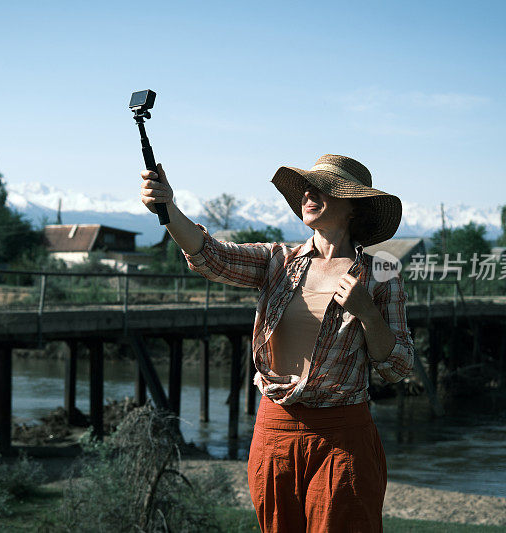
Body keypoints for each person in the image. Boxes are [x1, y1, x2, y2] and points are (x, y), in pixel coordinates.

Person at [139, 154, 415, 533]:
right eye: (307, 186)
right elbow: (210, 256)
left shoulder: (381, 276)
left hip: (343, 436)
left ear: (353, 207)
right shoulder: (278, 261)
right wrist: (168, 206)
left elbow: (397, 366)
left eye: (324, 188)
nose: (308, 193)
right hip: (274, 432)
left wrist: (367, 312)